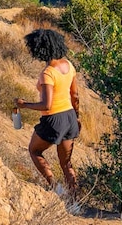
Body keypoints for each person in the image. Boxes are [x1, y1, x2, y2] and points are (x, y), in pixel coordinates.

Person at [14, 29, 80, 193]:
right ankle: (75, 201)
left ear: (40, 49)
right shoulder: (69, 65)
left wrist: (25, 104)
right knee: (66, 163)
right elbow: (75, 95)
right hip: (70, 116)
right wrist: (77, 118)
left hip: (53, 119)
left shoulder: (48, 73)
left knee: (34, 150)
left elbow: (46, 105)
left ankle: (56, 188)